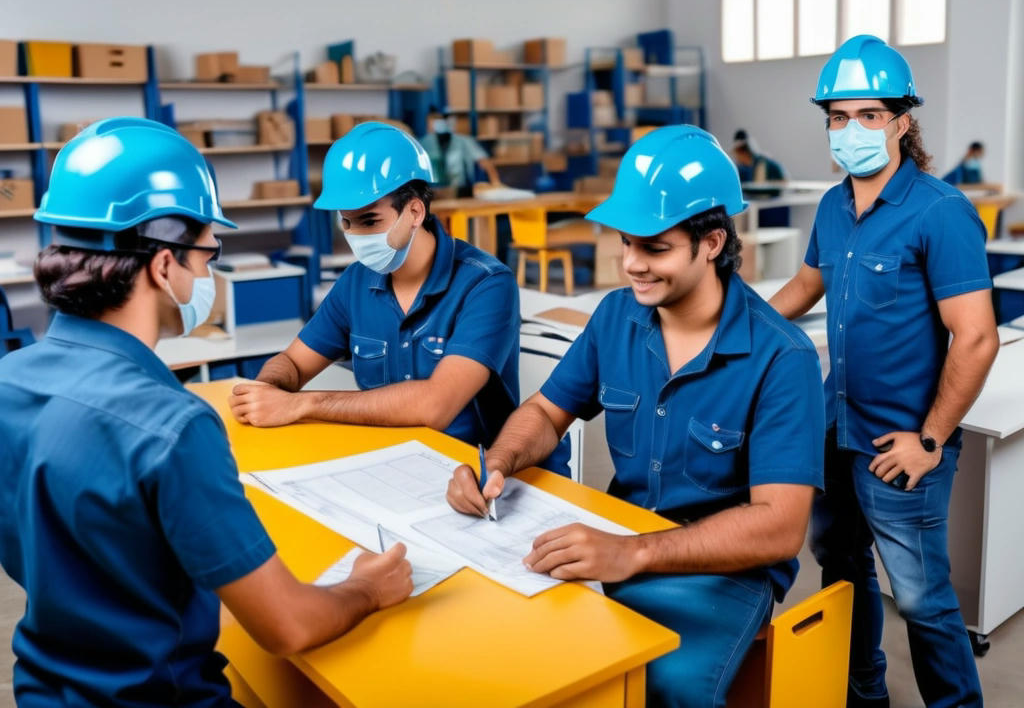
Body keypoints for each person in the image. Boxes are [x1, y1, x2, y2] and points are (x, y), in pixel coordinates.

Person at [0, 118, 413, 707]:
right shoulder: (174, 428)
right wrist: (367, 589)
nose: (208, 276)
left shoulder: (8, 381)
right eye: (207, 256)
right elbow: (287, 626)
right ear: (165, 267)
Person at [447, 125, 825, 708]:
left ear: (712, 242)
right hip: (616, 540)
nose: (630, 265)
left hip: (722, 573)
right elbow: (547, 411)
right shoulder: (615, 317)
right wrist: (497, 461)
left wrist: (635, 553)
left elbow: (779, 526)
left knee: (667, 687)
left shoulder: (782, 358)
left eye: (654, 248)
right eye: (626, 243)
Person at [769, 35, 999, 708]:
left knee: (924, 601)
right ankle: (863, 692)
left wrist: (929, 441)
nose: (851, 131)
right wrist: (733, 330)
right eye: (838, 117)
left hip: (900, 447)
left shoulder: (940, 211)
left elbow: (976, 336)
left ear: (902, 121)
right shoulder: (835, 206)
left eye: (868, 115)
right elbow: (806, 286)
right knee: (842, 571)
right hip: (835, 431)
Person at [227, 122, 570, 473]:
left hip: (473, 473)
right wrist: (266, 391)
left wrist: (301, 405)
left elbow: (436, 405)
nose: (356, 237)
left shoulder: (485, 284)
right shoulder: (356, 282)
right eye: (346, 223)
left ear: (415, 212)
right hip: (390, 464)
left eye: (370, 221)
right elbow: (295, 363)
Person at [419, 108, 502, 199]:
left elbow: (485, 162)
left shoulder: (463, 141)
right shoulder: (424, 142)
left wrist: (496, 182)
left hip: (459, 190)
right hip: (433, 192)